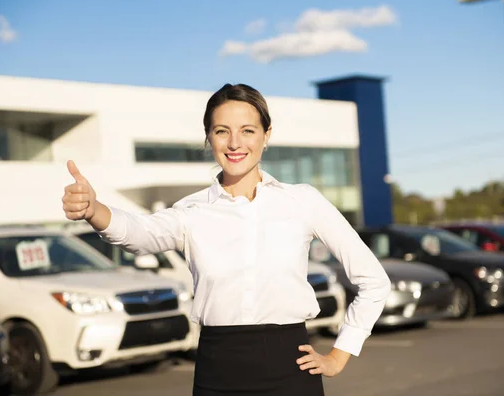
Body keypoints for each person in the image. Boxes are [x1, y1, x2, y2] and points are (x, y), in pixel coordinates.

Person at [62, 83, 391, 395]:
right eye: (222, 131)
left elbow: (374, 281)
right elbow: (141, 235)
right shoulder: (192, 211)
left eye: (248, 130)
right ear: (209, 138)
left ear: (266, 136)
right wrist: (94, 209)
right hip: (217, 371)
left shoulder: (303, 201)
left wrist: (339, 354)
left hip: (290, 369)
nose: (235, 143)